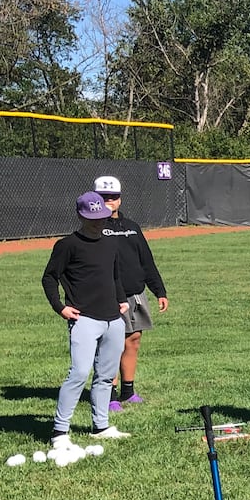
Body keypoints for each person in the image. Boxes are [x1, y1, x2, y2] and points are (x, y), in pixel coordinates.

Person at [41, 192, 132, 451]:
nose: (98, 222)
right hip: (84, 319)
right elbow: (49, 278)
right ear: (80, 215)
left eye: (101, 217)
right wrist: (60, 308)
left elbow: (115, 276)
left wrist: (121, 299)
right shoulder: (67, 245)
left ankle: (100, 426)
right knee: (79, 373)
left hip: (113, 319)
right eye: (92, 218)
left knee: (105, 376)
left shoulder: (110, 244)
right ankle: (60, 431)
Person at [93, 175, 169, 411]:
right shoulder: (94, 228)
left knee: (133, 340)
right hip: (109, 295)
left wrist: (159, 290)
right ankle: (110, 394)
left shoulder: (132, 228)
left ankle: (128, 390)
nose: (109, 202)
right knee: (111, 345)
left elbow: (146, 260)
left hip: (136, 293)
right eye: (104, 198)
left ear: (120, 199)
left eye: (113, 197)